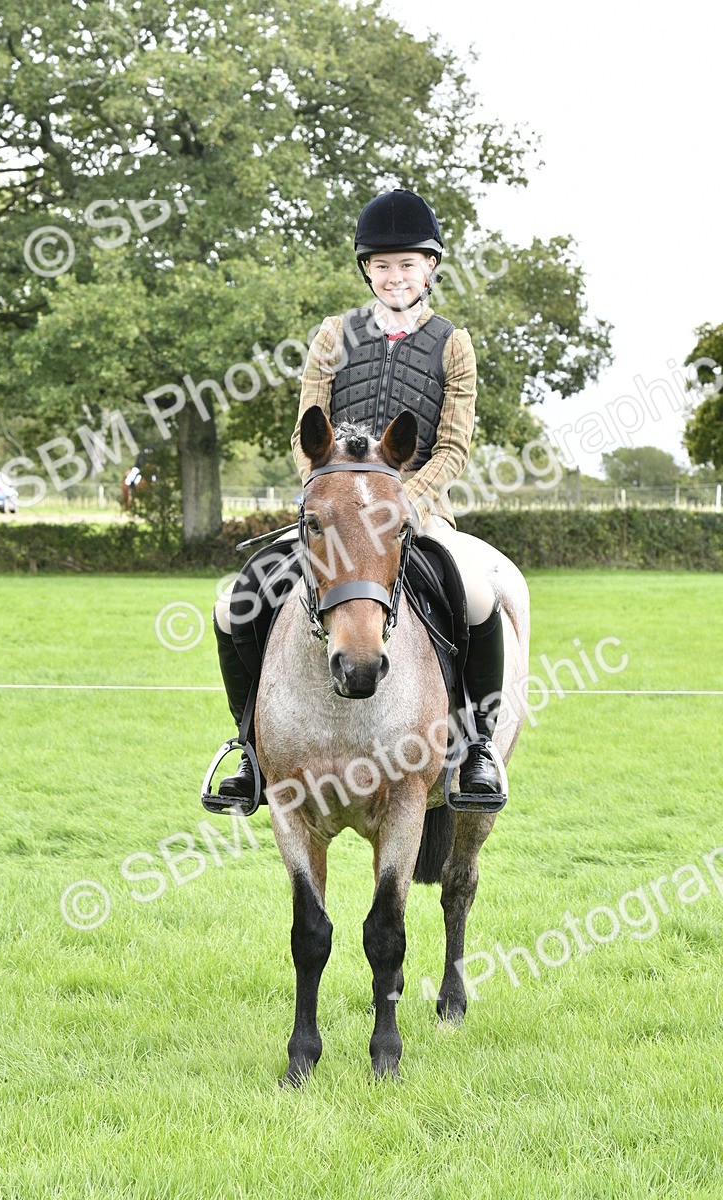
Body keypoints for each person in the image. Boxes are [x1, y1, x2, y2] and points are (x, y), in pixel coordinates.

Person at [212, 187, 504, 804]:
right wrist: (331, 495)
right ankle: (250, 750)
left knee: (477, 597)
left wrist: (400, 504)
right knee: (232, 604)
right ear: (367, 270)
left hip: (417, 512)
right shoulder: (332, 336)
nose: (395, 276)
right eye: (382, 265)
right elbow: (305, 434)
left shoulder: (454, 343)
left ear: (430, 267)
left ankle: (477, 746)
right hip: (336, 514)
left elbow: (453, 447)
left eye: (408, 264)